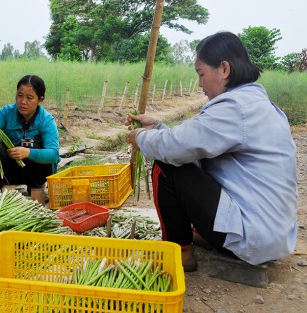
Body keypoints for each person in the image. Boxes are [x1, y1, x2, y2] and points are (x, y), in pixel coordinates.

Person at [125, 32, 297, 271]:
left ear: (224, 69)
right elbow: (196, 141)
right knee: (184, 158)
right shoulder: (256, 104)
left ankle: (180, 253)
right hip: (272, 236)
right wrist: (159, 127)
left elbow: (176, 149)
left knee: (167, 166)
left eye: (201, 74)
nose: (200, 83)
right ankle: (209, 236)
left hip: (254, 237)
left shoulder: (236, 108)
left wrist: (141, 137)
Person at [0, 75, 60, 196]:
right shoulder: (7, 112)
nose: (23, 102)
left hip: (35, 171)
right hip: (11, 169)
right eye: (20, 95)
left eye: (29, 98)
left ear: (40, 99)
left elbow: (53, 154)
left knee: (35, 146)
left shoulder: (46, 120)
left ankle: (36, 188)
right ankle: (7, 188)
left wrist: (28, 152)